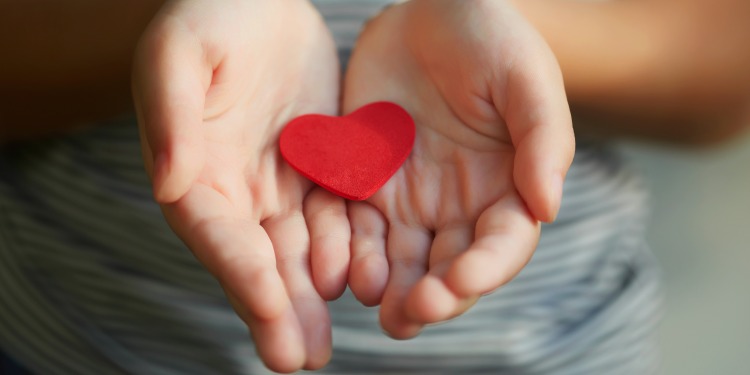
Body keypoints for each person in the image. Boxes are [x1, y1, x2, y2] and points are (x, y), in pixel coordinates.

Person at [0, 0, 747, 374]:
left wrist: (514, 28)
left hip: (557, 346)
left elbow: (725, 63)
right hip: (84, 340)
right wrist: (163, 25)